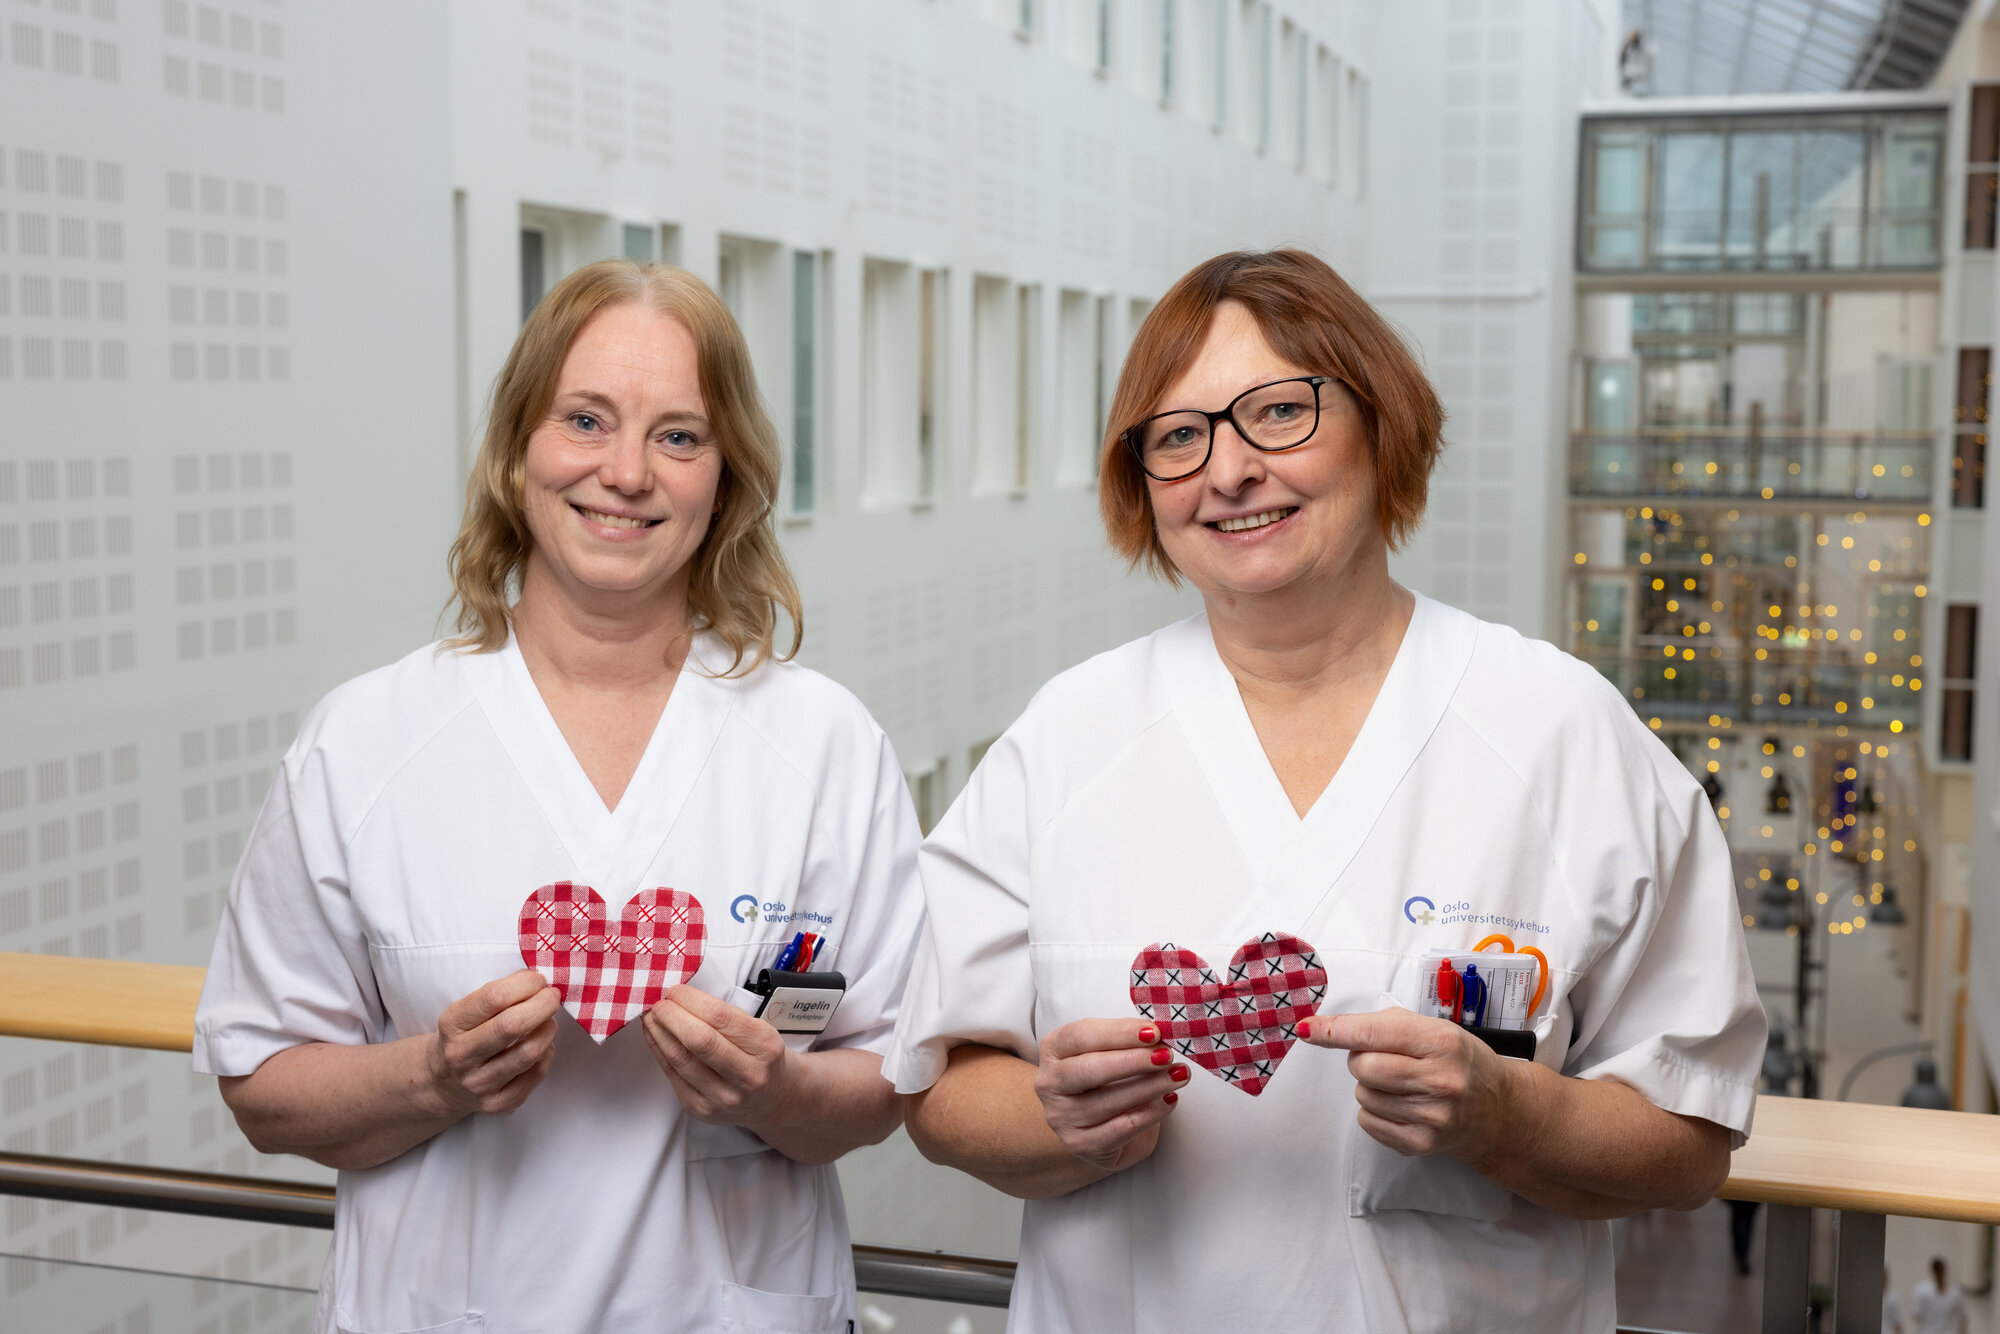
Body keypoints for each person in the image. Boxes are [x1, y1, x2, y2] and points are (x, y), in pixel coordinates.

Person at [885, 250, 1764, 1333]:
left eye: (1277, 412)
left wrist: (1505, 1114)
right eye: (1179, 436)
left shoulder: (1562, 734)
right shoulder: (1066, 739)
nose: (1228, 470)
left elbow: (1688, 1140)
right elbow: (940, 1086)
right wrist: (1055, 1117)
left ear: (1379, 423)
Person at [193, 259, 924, 1333]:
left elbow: (890, 1078)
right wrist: (434, 1077)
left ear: (725, 479)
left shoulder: (825, 747)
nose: (625, 472)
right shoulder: (363, 742)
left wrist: (777, 1093)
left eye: (679, 436)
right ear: (516, 450)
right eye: (585, 419)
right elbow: (262, 1086)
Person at [1911, 1256, 1969, 1334]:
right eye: (1938, 1271)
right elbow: (1916, 1315)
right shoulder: (1922, 1291)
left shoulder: (1954, 1293)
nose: (1939, 1274)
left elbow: (1962, 1316)